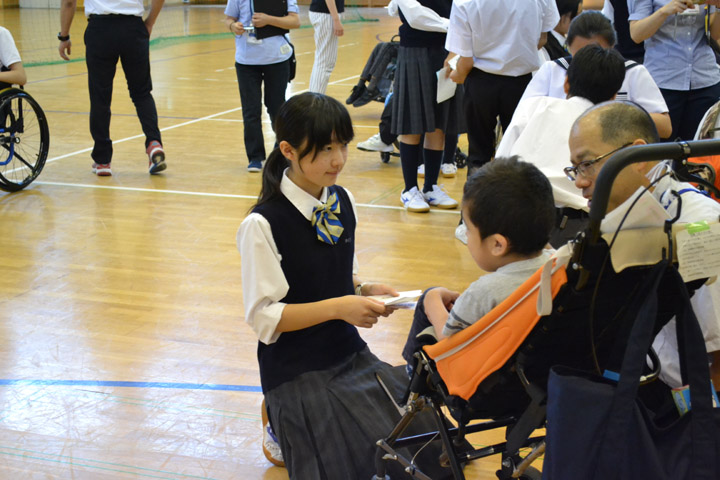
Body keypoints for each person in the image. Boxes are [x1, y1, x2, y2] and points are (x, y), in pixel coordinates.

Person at [237, 92, 450, 479]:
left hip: (348, 352)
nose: (338, 160)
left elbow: (334, 274)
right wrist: (340, 307)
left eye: (342, 146)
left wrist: (364, 289)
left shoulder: (343, 200)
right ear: (287, 150)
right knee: (349, 467)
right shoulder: (261, 224)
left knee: (427, 453)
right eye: (324, 149)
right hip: (295, 367)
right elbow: (265, 318)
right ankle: (277, 415)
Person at [567, 100, 720, 391]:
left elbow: (718, 358)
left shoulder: (699, 225)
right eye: (575, 169)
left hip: (677, 396)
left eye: (587, 164)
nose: (579, 182)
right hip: (633, 371)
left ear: (637, 155)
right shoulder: (623, 213)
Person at [402, 157, 556, 364]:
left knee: (429, 297)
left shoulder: (483, 292)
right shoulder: (557, 264)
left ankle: (411, 375)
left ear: (497, 244)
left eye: (468, 228)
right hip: (527, 365)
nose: (466, 235)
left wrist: (431, 301)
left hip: (472, 373)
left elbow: (449, 341)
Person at [496, 45, 626, 246]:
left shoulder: (535, 106)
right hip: (576, 227)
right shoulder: (614, 129)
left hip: (515, 214)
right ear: (614, 97)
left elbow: (500, 163)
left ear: (566, 84)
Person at [446, 0, 559, 176]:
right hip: (520, 82)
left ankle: (477, 194)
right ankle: (516, 193)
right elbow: (542, 39)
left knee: (478, 155)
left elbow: (466, 59)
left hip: (481, 81)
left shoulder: (465, 2)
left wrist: (458, 74)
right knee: (518, 153)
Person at [522, 10, 672, 138]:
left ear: (612, 47)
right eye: (580, 53)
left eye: (596, 52)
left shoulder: (632, 72)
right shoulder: (553, 70)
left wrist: (617, 115)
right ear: (568, 46)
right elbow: (525, 115)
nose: (588, 60)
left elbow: (665, 127)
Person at [58, 0, 167, 177]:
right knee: (142, 93)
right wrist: (149, 22)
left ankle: (102, 160)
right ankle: (154, 143)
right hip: (133, 29)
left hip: (100, 30)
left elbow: (69, 2)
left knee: (100, 97)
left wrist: (64, 37)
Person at [392, 0, 465, 213]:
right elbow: (415, 16)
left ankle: (431, 186)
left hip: (445, 52)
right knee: (412, 125)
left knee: (438, 124)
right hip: (414, 51)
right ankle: (409, 189)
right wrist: (454, 25)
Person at [224, 0, 300, 173]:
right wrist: (233, 26)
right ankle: (255, 157)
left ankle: (280, 153)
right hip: (246, 61)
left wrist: (268, 20)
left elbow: (295, 21)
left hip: (277, 59)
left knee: (276, 107)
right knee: (250, 110)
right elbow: (229, 19)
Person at [629, 0, 720, 140]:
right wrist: (664, 11)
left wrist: (718, 7)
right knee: (662, 147)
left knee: (701, 148)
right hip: (664, 80)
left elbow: (714, 35)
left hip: (704, 78)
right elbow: (636, 34)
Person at [308, 0, 344, 94]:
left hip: (325, 14)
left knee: (323, 61)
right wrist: (336, 20)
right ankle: (315, 99)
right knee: (324, 63)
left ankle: (314, 97)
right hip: (326, 15)